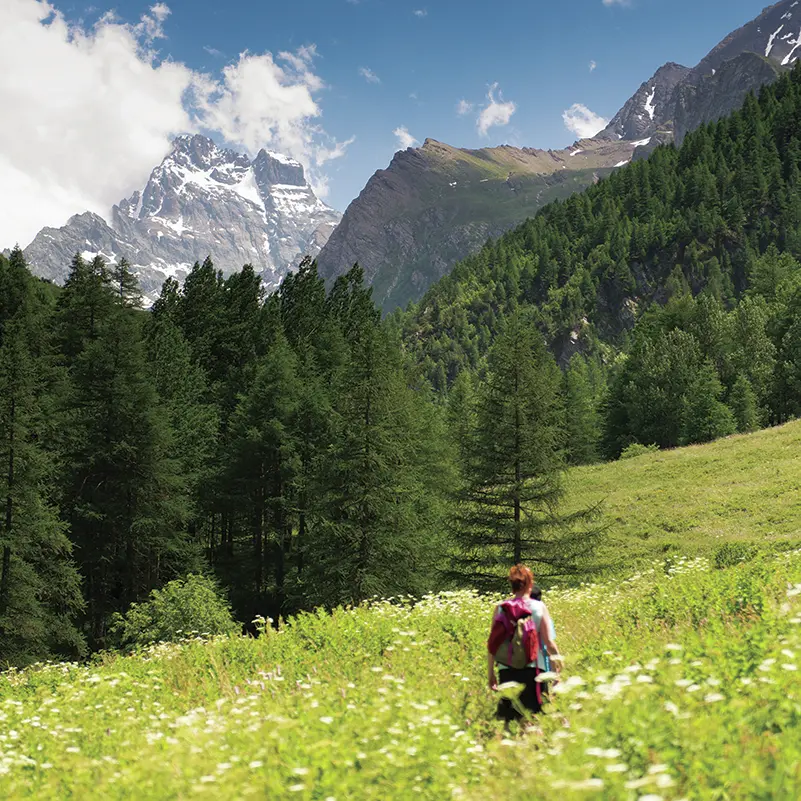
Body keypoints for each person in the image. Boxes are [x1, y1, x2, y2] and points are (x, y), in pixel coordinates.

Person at [487, 564, 560, 722]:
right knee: (533, 719)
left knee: (510, 719)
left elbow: (493, 643)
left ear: (512, 586)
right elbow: (548, 642)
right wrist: (557, 668)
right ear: (530, 584)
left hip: (506, 669)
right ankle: (530, 745)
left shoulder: (501, 608)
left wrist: (491, 673)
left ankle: (513, 745)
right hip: (533, 669)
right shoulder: (539, 607)